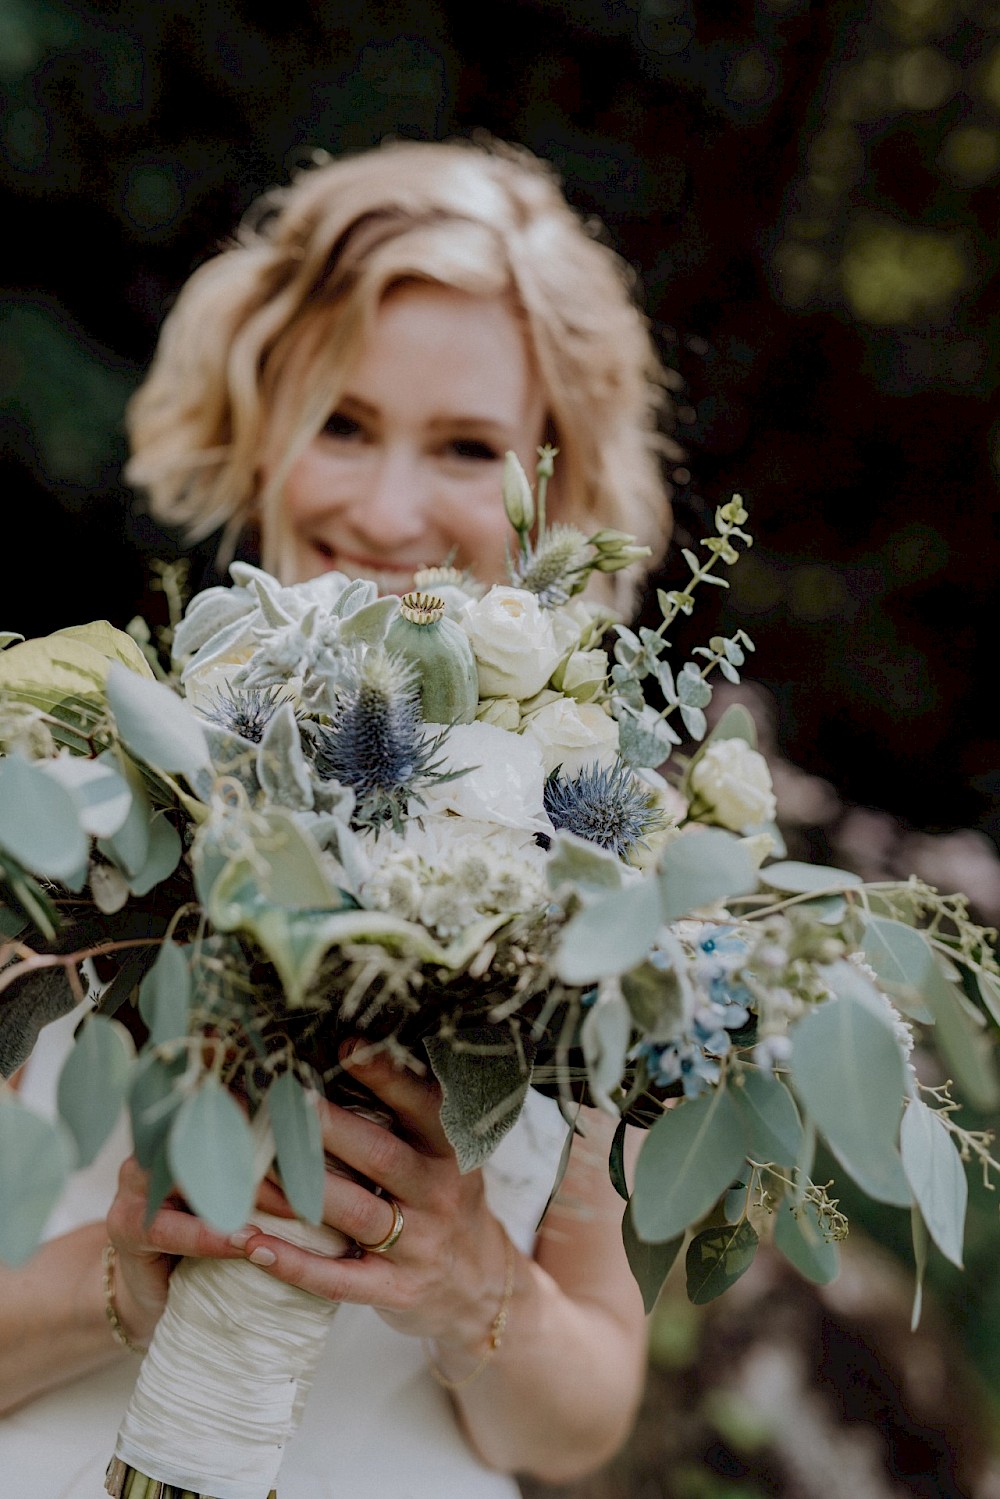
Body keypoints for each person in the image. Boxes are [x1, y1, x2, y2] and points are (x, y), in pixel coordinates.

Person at [0, 136, 678, 1498]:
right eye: (345, 423)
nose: (384, 510)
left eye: (469, 446)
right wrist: (125, 1275)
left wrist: (473, 1287)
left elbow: (580, 1418)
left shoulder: (613, 877)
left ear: (560, 479)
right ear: (261, 421)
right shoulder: (47, 786)